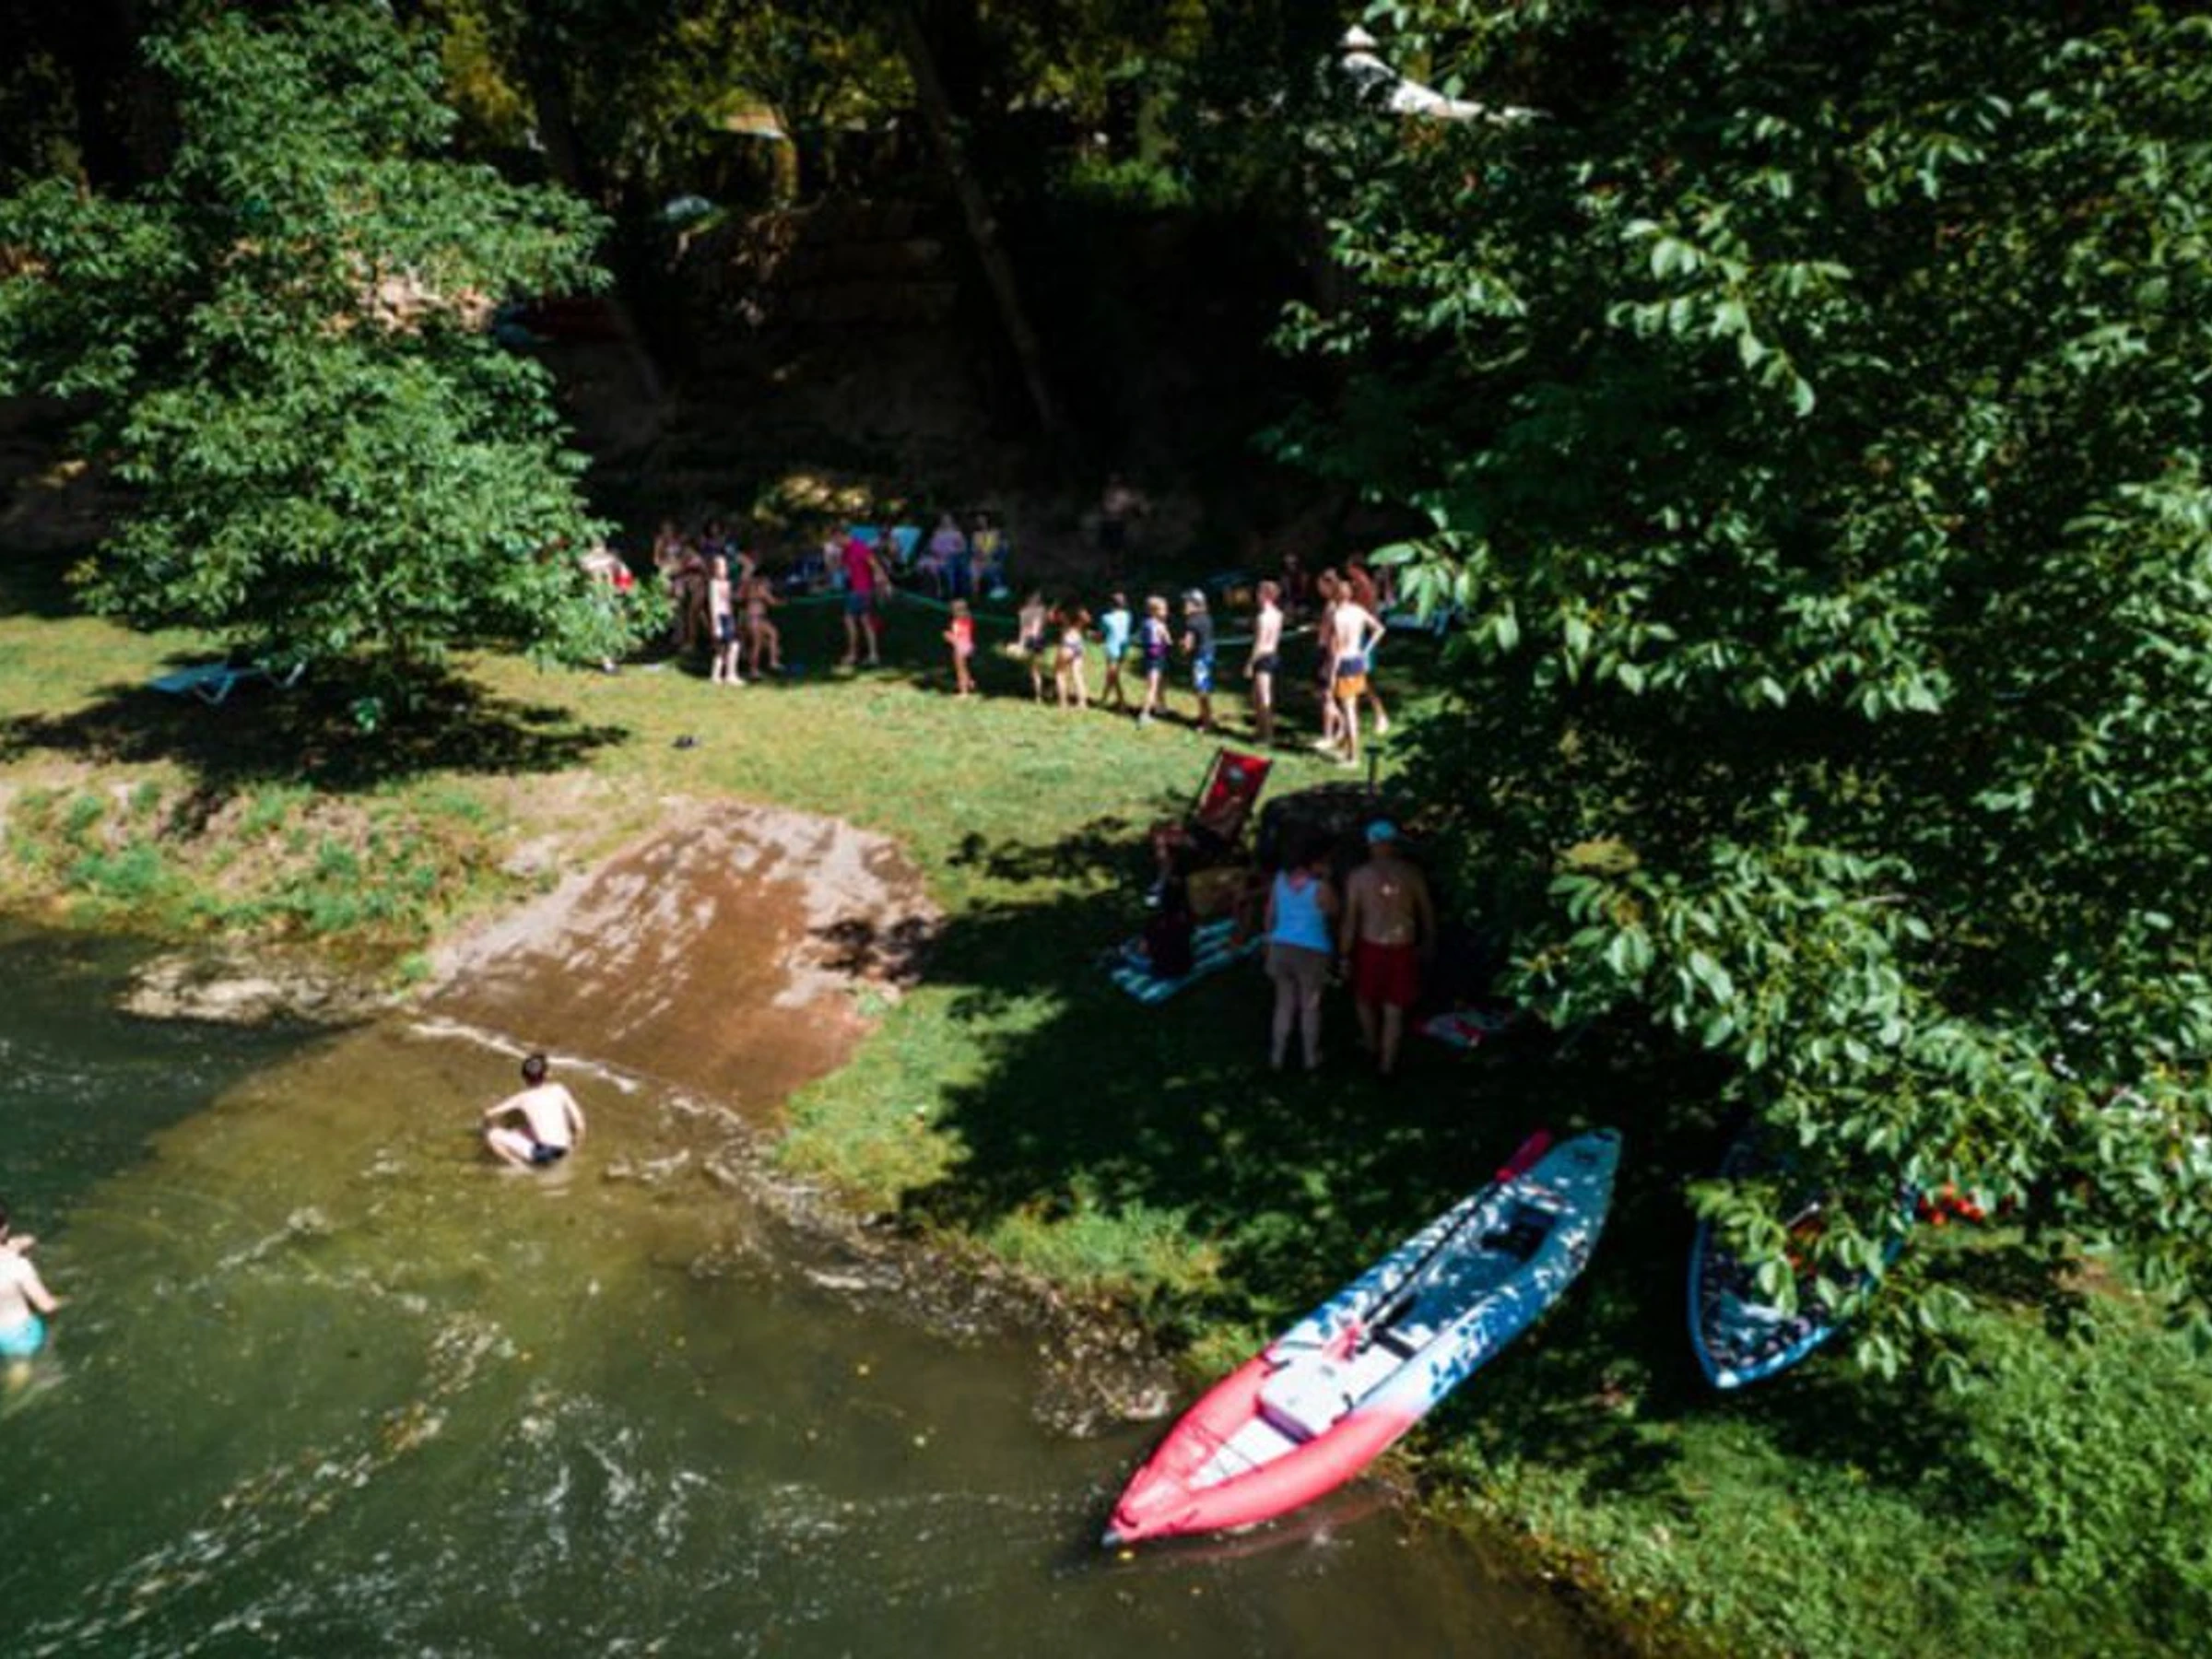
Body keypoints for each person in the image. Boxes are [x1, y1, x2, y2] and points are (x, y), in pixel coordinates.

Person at [1338, 822, 1434, 1077]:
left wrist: (1344, 954)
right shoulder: (1411, 874)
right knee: (1395, 1008)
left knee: (1364, 999)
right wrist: (1429, 941)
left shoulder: (1359, 876)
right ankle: (1386, 1065)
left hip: (1371, 944)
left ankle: (1372, 1047)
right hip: (1402, 944)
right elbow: (1426, 912)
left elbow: (1351, 919)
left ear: (1370, 844)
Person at [1265, 833, 1338, 1072]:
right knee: (1310, 1005)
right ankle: (1310, 1057)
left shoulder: (1279, 880)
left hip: (1280, 945)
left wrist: (1268, 940)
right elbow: (1334, 911)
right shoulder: (1320, 886)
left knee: (1283, 1003)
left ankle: (1277, 1056)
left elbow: (1270, 915)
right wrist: (1327, 879)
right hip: (1311, 949)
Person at [482, 1053, 587, 1170]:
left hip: (544, 1154)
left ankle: (520, 1167)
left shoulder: (522, 1098)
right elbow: (579, 1122)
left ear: (524, 1078)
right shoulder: (559, 1089)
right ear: (548, 1074)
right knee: (520, 1130)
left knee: (493, 1135)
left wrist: (486, 1121)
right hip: (565, 1147)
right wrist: (575, 1149)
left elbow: (489, 1114)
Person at [0, 1200, 60, 1385]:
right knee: (20, 1370)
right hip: (18, 1334)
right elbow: (47, 1306)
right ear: (5, 1228)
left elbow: (27, 1240)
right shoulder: (17, 1265)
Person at [1326, 581, 1386, 767]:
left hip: (1344, 662)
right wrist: (1366, 650)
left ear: (1336, 595)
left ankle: (1353, 758)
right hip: (1357, 660)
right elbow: (1379, 629)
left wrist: (1331, 677)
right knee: (1352, 708)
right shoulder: (1359, 611)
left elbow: (1336, 650)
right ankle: (1347, 751)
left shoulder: (1337, 617)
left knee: (1349, 712)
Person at [839, 532, 889, 667]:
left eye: (837, 540)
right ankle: (873, 655)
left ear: (841, 536)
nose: (836, 544)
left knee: (849, 620)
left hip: (862, 589)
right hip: (855, 589)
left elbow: (874, 565)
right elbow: (843, 568)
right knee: (866, 621)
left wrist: (883, 583)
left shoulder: (860, 547)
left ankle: (852, 655)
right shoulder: (845, 551)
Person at [1247, 579, 1285, 746]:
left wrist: (1250, 663)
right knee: (1258, 696)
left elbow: (1260, 643)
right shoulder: (1278, 614)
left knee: (1263, 697)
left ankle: (1268, 735)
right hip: (1273, 655)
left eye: (1259, 593)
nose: (1257, 596)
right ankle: (1260, 730)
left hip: (1263, 657)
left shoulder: (1262, 617)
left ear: (1265, 595)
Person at [1180, 590, 1218, 735]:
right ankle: (1205, 716)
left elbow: (1188, 645)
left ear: (1194, 604)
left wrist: (1182, 647)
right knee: (1204, 688)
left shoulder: (1192, 621)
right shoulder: (1207, 618)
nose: (1184, 605)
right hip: (1209, 655)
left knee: (1202, 690)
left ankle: (1206, 724)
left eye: (1187, 602)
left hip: (1200, 659)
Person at [743, 564, 782, 677]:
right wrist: (782, 602)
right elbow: (771, 601)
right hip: (754, 618)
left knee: (773, 633)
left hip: (758, 618)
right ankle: (753, 670)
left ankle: (773, 661)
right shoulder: (759, 587)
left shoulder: (750, 585)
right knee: (757, 644)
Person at [1097, 590, 1134, 712]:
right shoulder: (1128, 616)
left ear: (1110, 604)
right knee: (1113, 675)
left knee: (1113, 675)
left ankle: (1121, 703)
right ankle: (1104, 700)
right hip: (1124, 648)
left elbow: (1101, 635)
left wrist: (1095, 637)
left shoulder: (1106, 618)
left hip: (1112, 648)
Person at [1017, 590, 1051, 701]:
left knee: (1031, 669)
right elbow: (1045, 624)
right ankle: (1038, 693)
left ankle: (1036, 694)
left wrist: (1020, 644)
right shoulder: (1043, 610)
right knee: (1036, 668)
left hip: (1030, 640)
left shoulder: (1024, 611)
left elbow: (1023, 630)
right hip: (1041, 640)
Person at [1054, 604, 1091, 710]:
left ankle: (1063, 703)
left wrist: (1055, 605)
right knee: (1078, 675)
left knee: (1060, 674)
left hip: (1067, 644)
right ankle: (1082, 703)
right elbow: (1088, 619)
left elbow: (1051, 617)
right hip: (1078, 644)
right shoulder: (1080, 615)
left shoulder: (1064, 615)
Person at [927, 512, 969, 599]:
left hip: (952, 557)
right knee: (928, 564)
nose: (946, 522)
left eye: (948, 520)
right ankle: (936, 590)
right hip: (938, 556)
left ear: (951, 521)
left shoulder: (956, 533)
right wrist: (936, 553)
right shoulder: (937, 532)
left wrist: (951, 553)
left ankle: (951, 592)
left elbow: (962, 548)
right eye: (944, 520)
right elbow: (932, 546)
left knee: (949, 565)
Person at [944, 598, 977, 696]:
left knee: (960, 670)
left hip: (960, 647)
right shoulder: (969, 620)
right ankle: (970, 683)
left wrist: (949, 636)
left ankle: (964, 692)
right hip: (969, 646)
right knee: (966, 668)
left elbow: (958, 637)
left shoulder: (957, 622)